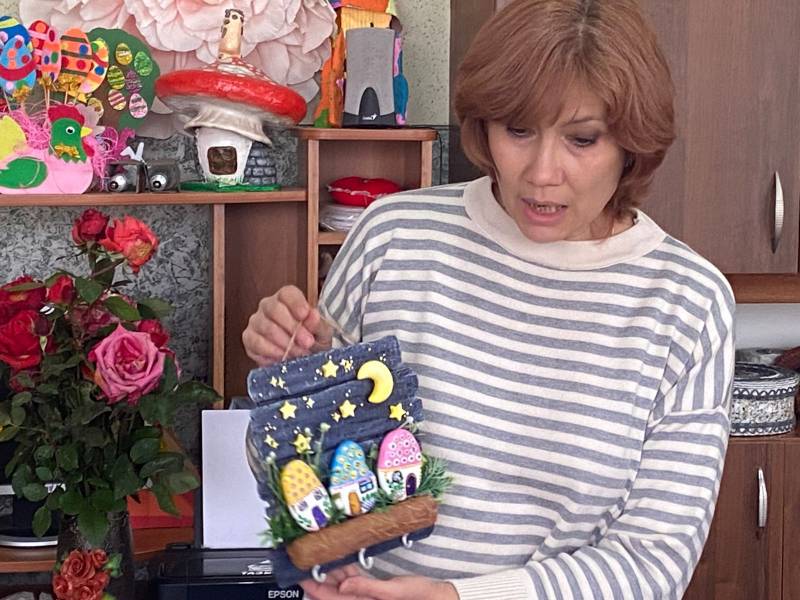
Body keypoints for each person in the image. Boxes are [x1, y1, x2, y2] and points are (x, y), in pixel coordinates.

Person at [242, 1, 735, 598]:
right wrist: (294, 379)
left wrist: (458, 597)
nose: (542, 173)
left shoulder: (688, 303)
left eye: (582, 139)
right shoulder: (394, 236)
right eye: (518, 130)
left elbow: (654, 564)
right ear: (484, 126)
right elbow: (286, 466)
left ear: (633, 144)